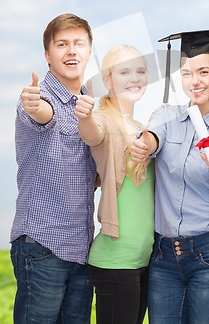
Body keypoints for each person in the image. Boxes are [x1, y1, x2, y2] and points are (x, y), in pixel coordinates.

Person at [131, 28, 209, 324]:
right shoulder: (166, 115)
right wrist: (144, 145)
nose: (194, 81)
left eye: (203, 71)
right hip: (164, 257)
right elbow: (152, 139)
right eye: (186, 73)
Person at [10, 13, 97, 324]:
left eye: (79, 44)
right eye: (62, 44)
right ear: (48, 54)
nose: (71, 51)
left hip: (82, 249)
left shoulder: (90, 105)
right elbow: (40, 113)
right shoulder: (38, 96)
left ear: (89, 51)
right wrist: (36, 107)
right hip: (42, 244)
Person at [75, 45, 155, 324]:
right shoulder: (104, 120)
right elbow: (92, 135)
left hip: (143, 259)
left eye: (140, 71)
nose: (134, 78)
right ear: (108, 80)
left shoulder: (141, 126)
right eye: (124, 72)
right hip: (115, 261)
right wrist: (84, 116)